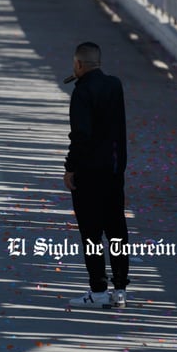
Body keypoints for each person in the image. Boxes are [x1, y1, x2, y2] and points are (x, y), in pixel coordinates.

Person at [63, 42, 130, 309]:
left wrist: (70, 167)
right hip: (114, 172)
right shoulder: (115, 85)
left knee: (91, 233)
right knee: (117, 231)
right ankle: (121, 289)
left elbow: (80, 135)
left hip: (90, 173)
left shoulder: (81, 92)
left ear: (78, 65)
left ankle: (99, 289)